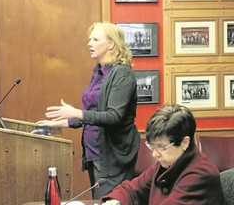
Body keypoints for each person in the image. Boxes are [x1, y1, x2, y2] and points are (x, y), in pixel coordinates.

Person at [37, 22, 140, 199]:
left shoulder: (122, 74)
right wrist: (61, 123)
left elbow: (114, 116)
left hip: (113, 158)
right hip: (95, 154)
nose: (89, 43)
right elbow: (93, 113)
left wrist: (76, 113)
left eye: (95, 39)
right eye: (89, 39)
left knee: (108, 202)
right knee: (98, 200)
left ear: (111, 44)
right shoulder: (99, 72)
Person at [100, 104, 224, 205]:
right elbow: (131, 189)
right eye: (152, 146)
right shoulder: (167, 165)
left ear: (184, 142)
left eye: (161, 147)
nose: (154, 154)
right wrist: (114, 202)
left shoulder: (201, 174)